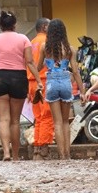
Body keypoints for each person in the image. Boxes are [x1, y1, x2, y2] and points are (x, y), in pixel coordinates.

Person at [0, 11, 43, 161]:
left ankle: (6, 153)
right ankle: (16, 156)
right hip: (18, 78)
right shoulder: (23, 39)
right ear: (15, 24)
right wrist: (38, 81)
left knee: (3, 119)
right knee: (15, 121)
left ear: (0, 25)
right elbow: (30, 62)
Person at [36, 19, 85, 160]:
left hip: (51, 84)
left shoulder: (45, 48)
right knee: (65, 122)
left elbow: (38, 68)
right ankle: (68, 154)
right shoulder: (70, 49)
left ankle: (61, 155)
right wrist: (82, 92)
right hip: (65, 84)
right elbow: (75, 72)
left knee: (56, 122)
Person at [27, 17, 54, 160]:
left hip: (31, 83)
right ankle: (44, 148)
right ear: (44, 27)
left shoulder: (30, 43)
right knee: (47, 116)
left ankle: (37, 148)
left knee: (38, 117)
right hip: (43, 81)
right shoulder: (47, 42)